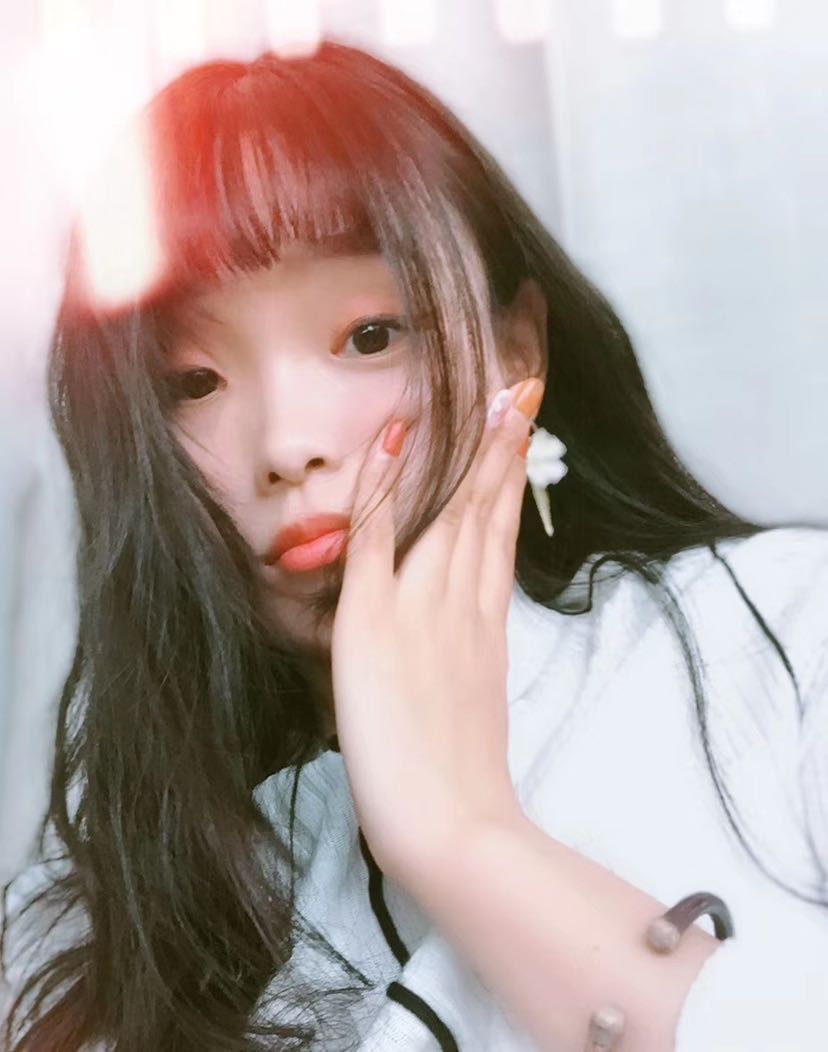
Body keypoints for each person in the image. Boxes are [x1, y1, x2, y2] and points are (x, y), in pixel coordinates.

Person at [1, 38, 826, 1052]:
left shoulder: (787, 638)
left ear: (516, 350)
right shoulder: (94, 931)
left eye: (370, 335)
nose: (289, 446)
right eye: (193, 382)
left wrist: (462, 833)